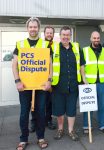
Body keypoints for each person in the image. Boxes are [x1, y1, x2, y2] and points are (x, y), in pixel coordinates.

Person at [12, 17, 51, 150]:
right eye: (31, 27)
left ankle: (41, 137)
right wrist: (17, 81)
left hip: (41, 85)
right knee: (24, 112)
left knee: (41, 111)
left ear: (38, 28)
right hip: (24, 85)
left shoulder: (45, 44)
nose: (33, 29)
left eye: (35, 26)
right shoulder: (20, 44)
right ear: (27, 28)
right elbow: (14, 65)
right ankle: (23, 139)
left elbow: (50, 65)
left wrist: (49, 80)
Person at [51, 26, 86, 141]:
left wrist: (84, 80)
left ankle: (71, 130)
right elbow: (48, 65)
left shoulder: (76, 47)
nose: (65, 37)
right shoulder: (53, 48)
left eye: (67, 35)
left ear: (70, 36)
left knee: (71, 109)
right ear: (60, 36)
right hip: (58, 85)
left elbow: (81, 65)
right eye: (63, 35)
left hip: (73, 85)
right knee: (59, 110)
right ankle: (60, 129)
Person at [30, 25, 56, 133]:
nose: (49, 34)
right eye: (47, 33)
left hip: (51, 78)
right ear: (44, 33)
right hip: (39, 78)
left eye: (51, 33)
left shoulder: (56, 46)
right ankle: (34, 122)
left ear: (53, 34)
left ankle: (48, 120)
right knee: (35, 102)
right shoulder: (40, 44)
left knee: (49, 101)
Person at [82, 31, 104, 134]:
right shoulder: (84, 50)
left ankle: (103, 124)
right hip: (89, 83)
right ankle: (86, 125)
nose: (96, 40)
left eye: (98, 38)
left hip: (101, 82)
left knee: (102, 104)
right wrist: (83, 79)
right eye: (94, 38)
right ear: (91, 38)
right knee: (88, 104)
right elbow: (82, 67)